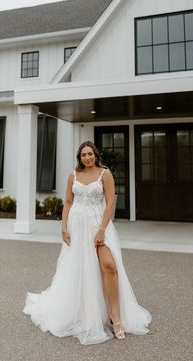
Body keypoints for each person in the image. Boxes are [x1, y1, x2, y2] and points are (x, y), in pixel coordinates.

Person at [23, 140, 152, 345]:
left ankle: (116, 317)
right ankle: (85, 313)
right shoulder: (73, 175)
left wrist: (101, 230)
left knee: (109, 266)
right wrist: (63, 228)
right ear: (79, 157)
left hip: (98, 226)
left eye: (90, 154)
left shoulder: (105, 174)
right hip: (77, 228)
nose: (87, 158)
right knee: (82, 270)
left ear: (95, 155)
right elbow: (67, 202)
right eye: (83, 155)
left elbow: (110, 203)